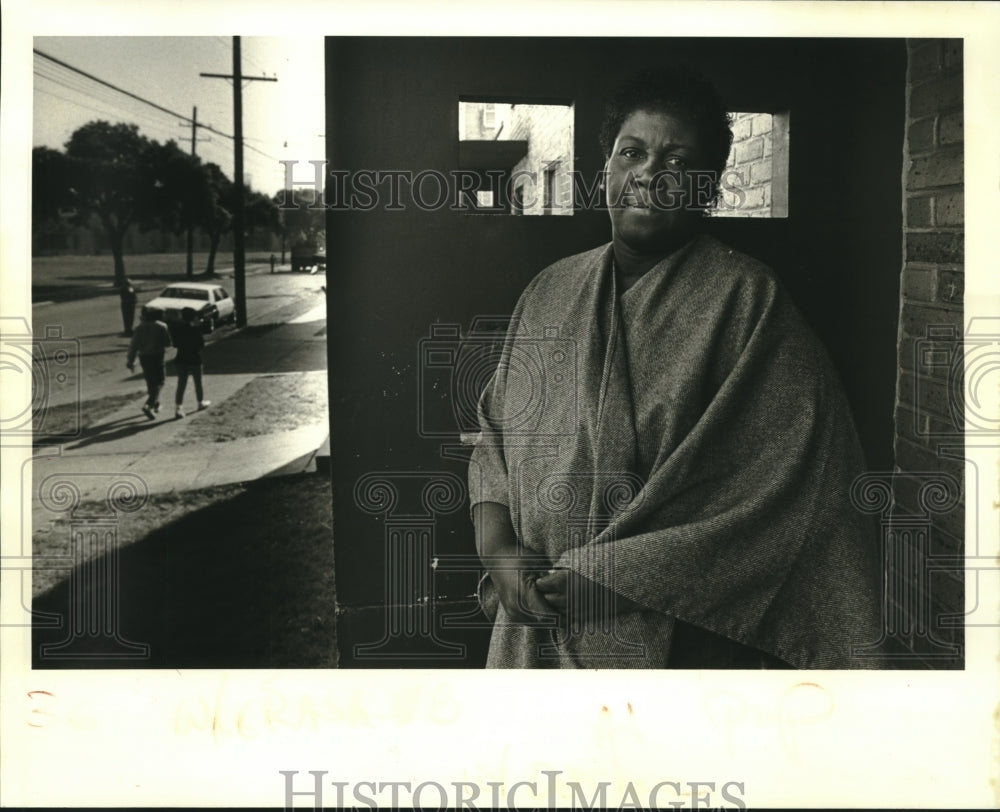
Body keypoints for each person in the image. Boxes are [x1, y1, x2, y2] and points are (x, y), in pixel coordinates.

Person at [468, 66, 881, 669]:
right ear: (605, 168)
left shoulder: (749, 303)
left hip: (677, 644)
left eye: (677, 161)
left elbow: (790, 492)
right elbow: (494, 437)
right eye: (631, 152)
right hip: (534, 624)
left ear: (707, 186)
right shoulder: (549, 291)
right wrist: (498, 552)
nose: (649, 173)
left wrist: (615, 579)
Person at [127, 306, 172, 419]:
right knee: (160, 381)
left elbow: (133, 346)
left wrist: (131, 361)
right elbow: (168, 343)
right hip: (157, 356)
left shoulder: (139, 328)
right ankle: (149, 404)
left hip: (144, 357)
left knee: (150, 381)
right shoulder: (162, 326)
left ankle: (155, 403)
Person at [172, 307, 211, 419]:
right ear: (193, 317)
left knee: (181, 383)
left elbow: (174, 344)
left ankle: (178, 407)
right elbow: (201, 344)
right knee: (198, 381)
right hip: (194, 357)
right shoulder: (195, 329)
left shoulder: (177, 329)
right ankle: (200, 402)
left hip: (181, 357)